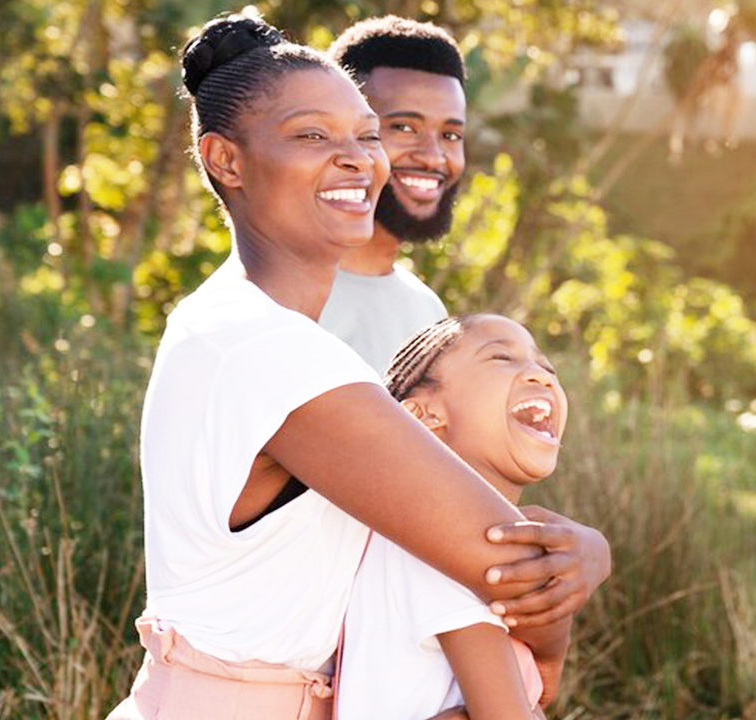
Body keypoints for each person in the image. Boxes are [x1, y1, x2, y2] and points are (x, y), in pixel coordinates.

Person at [106, 14, 607, 720]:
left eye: (365, 135)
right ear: (226, 160)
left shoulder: (222, 320)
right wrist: (567, 606)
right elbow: (518, 568)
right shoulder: (270, 351)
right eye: (313, 135)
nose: (358, 159)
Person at [338, 314, 568, 720]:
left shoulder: (442, 531)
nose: (541, 375)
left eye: (547, 366)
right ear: (423, 415)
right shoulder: (438, 542)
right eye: (502, 358)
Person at [318, 16, 465, 375]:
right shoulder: (285, 300)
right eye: (403, 127)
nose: (433, 156)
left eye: (450, 135)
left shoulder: (426, 310)